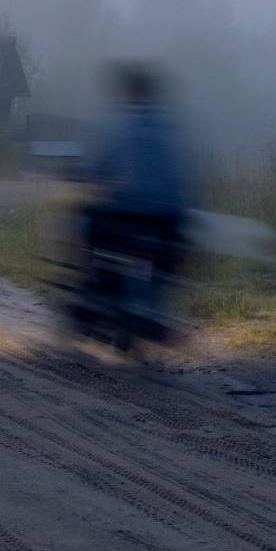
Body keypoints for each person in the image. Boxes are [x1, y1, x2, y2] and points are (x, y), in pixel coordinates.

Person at [80, 62, 193, 346]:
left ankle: (94, 287)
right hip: (170, 219)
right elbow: (185, 175)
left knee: (86, 226)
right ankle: (156, 303)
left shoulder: (124, 126)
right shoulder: (171, 129)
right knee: (170, 257)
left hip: (128, 214)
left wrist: (96, 178)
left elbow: (103, 168)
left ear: (131, 93)